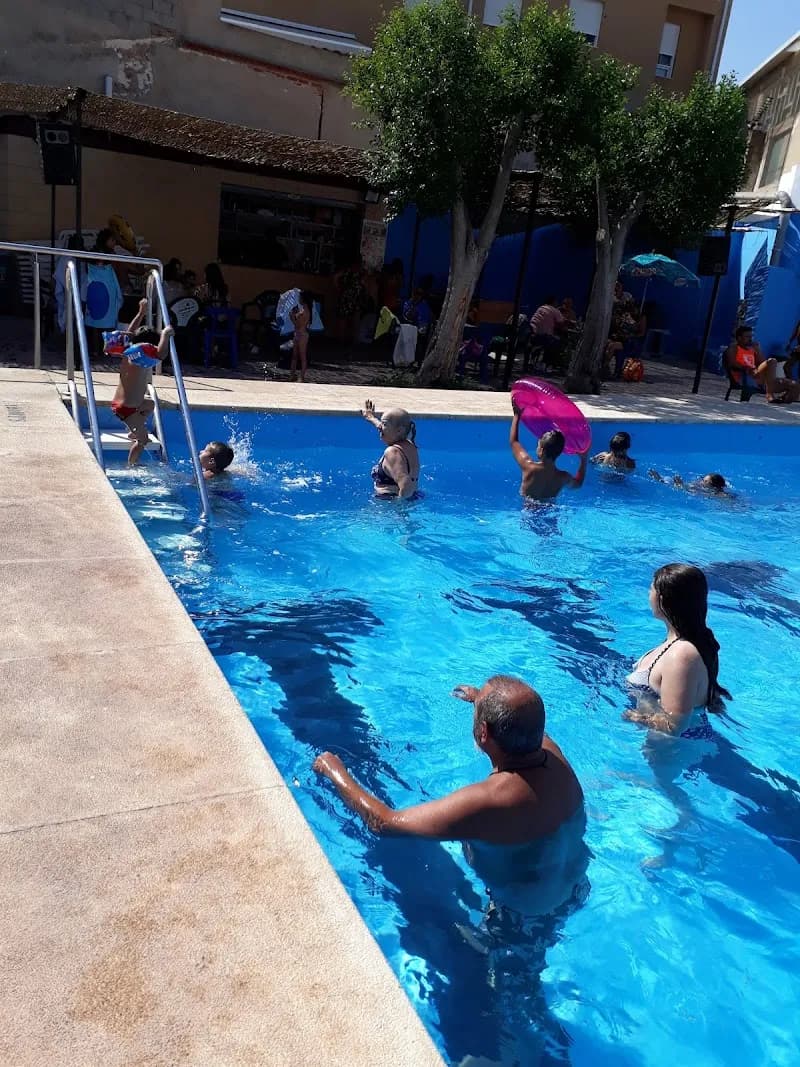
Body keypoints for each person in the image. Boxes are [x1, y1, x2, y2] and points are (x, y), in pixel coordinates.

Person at [313, 675, 585, 882]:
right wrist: (482, 700)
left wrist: (335, 772)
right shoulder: (553, 753)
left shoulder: (488, 801)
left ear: (483, 733)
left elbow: (383, 822)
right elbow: (521, 720)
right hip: (574, 883)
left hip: (518, 915)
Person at [625, 563, 731, 739]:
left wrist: (633, 716)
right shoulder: (679, 642)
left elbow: (674, 726)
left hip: (670, 752)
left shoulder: (681, 655)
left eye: (651, 589)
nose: (647, 594)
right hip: (664, 745)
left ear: (662, 599)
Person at [108, 298, 174, 465]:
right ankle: (131, 466)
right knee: (143, 440)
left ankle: (133, 430)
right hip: (126, 408)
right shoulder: (138, 358)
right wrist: (165, 335)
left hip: (129, 404)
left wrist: (141, 313)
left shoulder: (129, 352)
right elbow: (161, 354)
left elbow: (130, 334)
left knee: (150, 405)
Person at [510, 402, 589, 501]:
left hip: (528, 514)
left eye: (538, 445)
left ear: (541, 450)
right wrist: (583, 460)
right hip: (551, 514)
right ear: (560, 453)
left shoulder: (529, 467)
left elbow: (514, 442)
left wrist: (517, 415)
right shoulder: (563, 477)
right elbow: (578, 484)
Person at [361, 398, 420, 499]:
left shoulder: (392, 452)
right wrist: (371, 418)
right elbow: (384, 427)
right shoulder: (410, 445)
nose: (380, 427)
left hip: (389, 504)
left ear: (399, 431)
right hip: (414, 497)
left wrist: (399, 511)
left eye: (384, 424)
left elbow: (406, 487)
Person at [724, 325, 798, 403]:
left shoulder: (751, 349)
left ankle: (781, 401)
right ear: (739, 338)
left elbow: (763, 362)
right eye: (747, 337)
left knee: (795, 385)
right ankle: (769, 394)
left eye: (751, 336)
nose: (750, 339)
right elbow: (732, 363)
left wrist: (758, 350)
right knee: (772, 361)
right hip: (745, 377)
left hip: (759, 377)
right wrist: (746, 368)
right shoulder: (734, 347)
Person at [529, 295, 566, 360]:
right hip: (543, 336)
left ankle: (536, 357)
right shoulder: (555, 310)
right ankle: (547, 363)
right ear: (554, 302)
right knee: (559, 341)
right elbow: (561, 323)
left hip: (531, 333)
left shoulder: (541, 308)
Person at [289, 290, 312, 383]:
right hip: (297, 334)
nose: (299, 299)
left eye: (300, 297)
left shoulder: (305, 311)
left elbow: (297, 324)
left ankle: (301, 377)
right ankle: (292, 374)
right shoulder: (302, 310)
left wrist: (292, 317)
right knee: (294, 356)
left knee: (302, 356)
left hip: (302, 335)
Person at [648, 470, 730, 495]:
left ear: (713, 485)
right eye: (703, 480)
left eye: (705, 481)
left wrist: (681, 485)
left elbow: (687, 490)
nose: (702, 482)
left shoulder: (716, 493)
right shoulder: (703, 488)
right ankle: (661, 479)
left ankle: (661, 480)